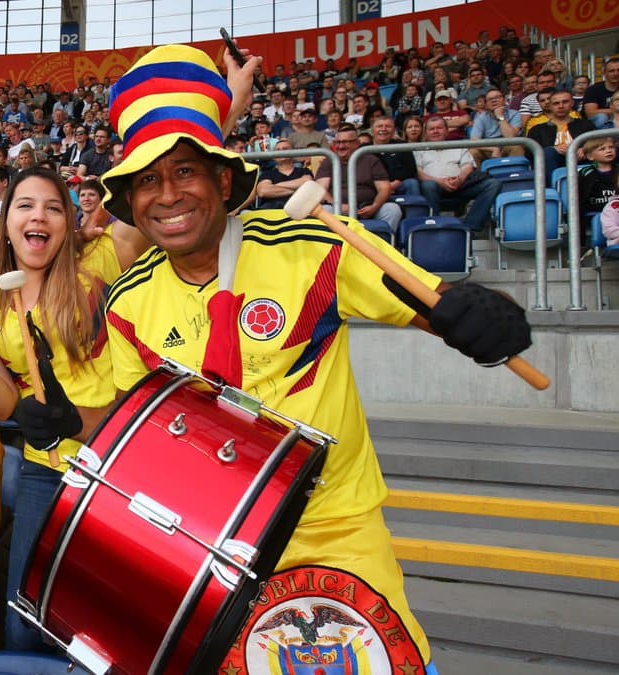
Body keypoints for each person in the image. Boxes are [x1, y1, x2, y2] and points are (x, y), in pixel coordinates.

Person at [98, 44, 533, 674]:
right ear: (130, 201)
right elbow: (146, 441)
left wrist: (479, 317)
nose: (168, 196)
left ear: (224, 179)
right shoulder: (127, 303)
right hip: (210, 550)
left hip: (335, 535)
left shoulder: (314, 249)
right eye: (147, 180)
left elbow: (434, 306)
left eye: (186, 172)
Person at [0, 167, 147, 652]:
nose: (39, 215)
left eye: (53, 207)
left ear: (69, 221)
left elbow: (148, 200)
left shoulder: (101, 259)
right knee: (23, 625)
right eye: (26, 205)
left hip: (114, 472)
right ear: (4, 221)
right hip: (43, 474)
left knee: (102, 631)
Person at [414, 117, 503, 231]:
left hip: (459, 185)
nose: (435, 131)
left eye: (439, 128)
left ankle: (471, 226)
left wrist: (460, 179)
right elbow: (418, 172)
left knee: (493, 184)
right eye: (432, 129)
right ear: (425, 133)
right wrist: (440, 182)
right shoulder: (418, 150)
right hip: (434, 188)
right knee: (428, 185)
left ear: (446, 131)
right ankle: (434, 226)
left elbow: (467, 166)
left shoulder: (457, 146)